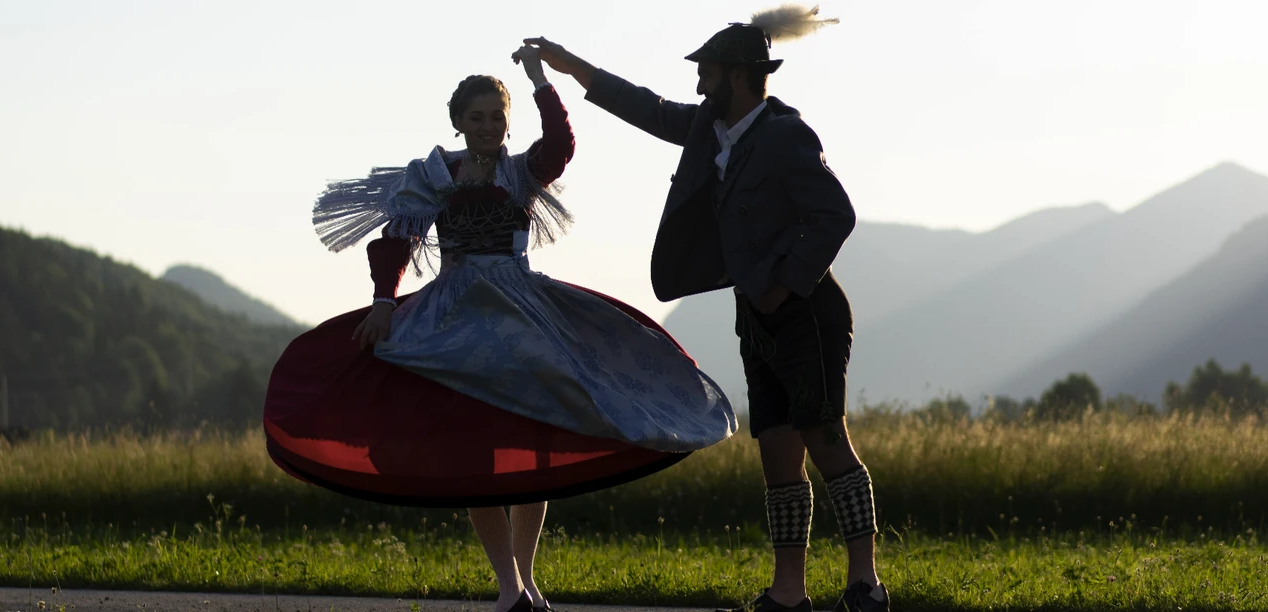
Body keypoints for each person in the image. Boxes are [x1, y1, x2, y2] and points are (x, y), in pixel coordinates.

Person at [262, 46, 737, 612]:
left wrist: (540, 80)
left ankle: (527, 580)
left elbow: (561, 146)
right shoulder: (433, 175)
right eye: (477, 117)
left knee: (533, 440)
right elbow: (396, 241)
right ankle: (507, 585)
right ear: (458, 122)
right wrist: (384, 302)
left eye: (496, 118)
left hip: (522, 308)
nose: (487, 127)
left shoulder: (520, 172)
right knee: (476, 452)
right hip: (456, 316)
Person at [521, 5, 889, 612]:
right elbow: (646, 107)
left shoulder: (784, 133)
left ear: (738, 76)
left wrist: (783, 284)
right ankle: (788, 594)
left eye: (708, 73)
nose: (699, 84)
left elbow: (835, 215)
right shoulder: (709, 130)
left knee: (825, 441)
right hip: (757, 314)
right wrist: (568, 67)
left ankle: (864, 583)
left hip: (807, 311)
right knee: (776, 455)